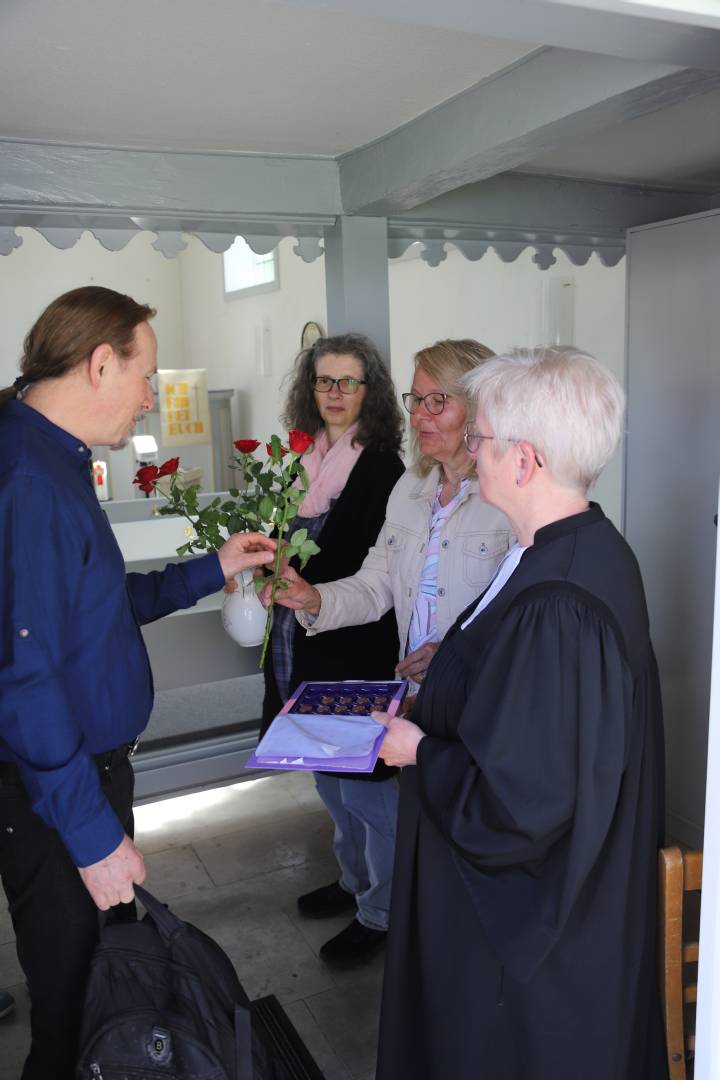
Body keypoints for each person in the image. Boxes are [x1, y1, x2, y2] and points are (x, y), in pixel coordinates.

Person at [0, 286, 276, 1080]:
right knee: (75, 1007)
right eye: (145, 375)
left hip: (78, 785)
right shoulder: (28, 480)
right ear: (98, 364)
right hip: (59, 798)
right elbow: (24, 679)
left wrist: (209, 570)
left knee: (96, 989)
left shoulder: (52, 457)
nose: (152, 396)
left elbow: (96, 609)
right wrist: (91, 839)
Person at [373, 347, 667, 1080]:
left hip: (529, 946)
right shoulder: (569, 548)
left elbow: (525, 804)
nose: (471, 450)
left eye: (482, 437)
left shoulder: (562, 601)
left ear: (525, 460)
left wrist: (419, 752)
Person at [267, 339, 514, 959]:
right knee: (404, 812)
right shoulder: (411, 487)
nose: (422, 415)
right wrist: (315, 600)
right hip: (413, 692)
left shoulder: (507, 496)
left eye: (440, 401)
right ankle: (401, 918)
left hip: (478, 698)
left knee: (461, 825)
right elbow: (377, 582)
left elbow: (522, 610)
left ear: (479, 409)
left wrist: (458, 650)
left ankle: (431, 935)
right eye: (417, 399)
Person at [258, 333, 405, 967]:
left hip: (355, 651)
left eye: (348, 382)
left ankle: (383, 912)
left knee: (369, 795)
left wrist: (308, 588)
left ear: (370, 392)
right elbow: (280, 536)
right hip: (301, 645)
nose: (335, 394)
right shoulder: (301, 460)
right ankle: (353, 882)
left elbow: (373, 574)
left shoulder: (383, 469)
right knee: (330, 785)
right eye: (324, 381)